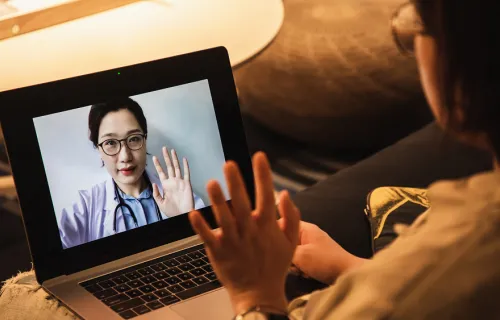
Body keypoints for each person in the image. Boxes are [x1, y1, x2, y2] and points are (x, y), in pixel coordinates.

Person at [188, 1, 500, 319]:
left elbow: (423, 289)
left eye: (418, 24)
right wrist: (352, 269)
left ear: (467, 62)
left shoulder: (464, 246)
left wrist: (253, 295)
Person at [59, 98, 204, 249]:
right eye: (110, 142)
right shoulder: (82, 210)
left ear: (145, 140)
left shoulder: (181, 196)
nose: (125, 157)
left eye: (134, 139)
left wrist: (185, 220)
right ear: (98, 149)